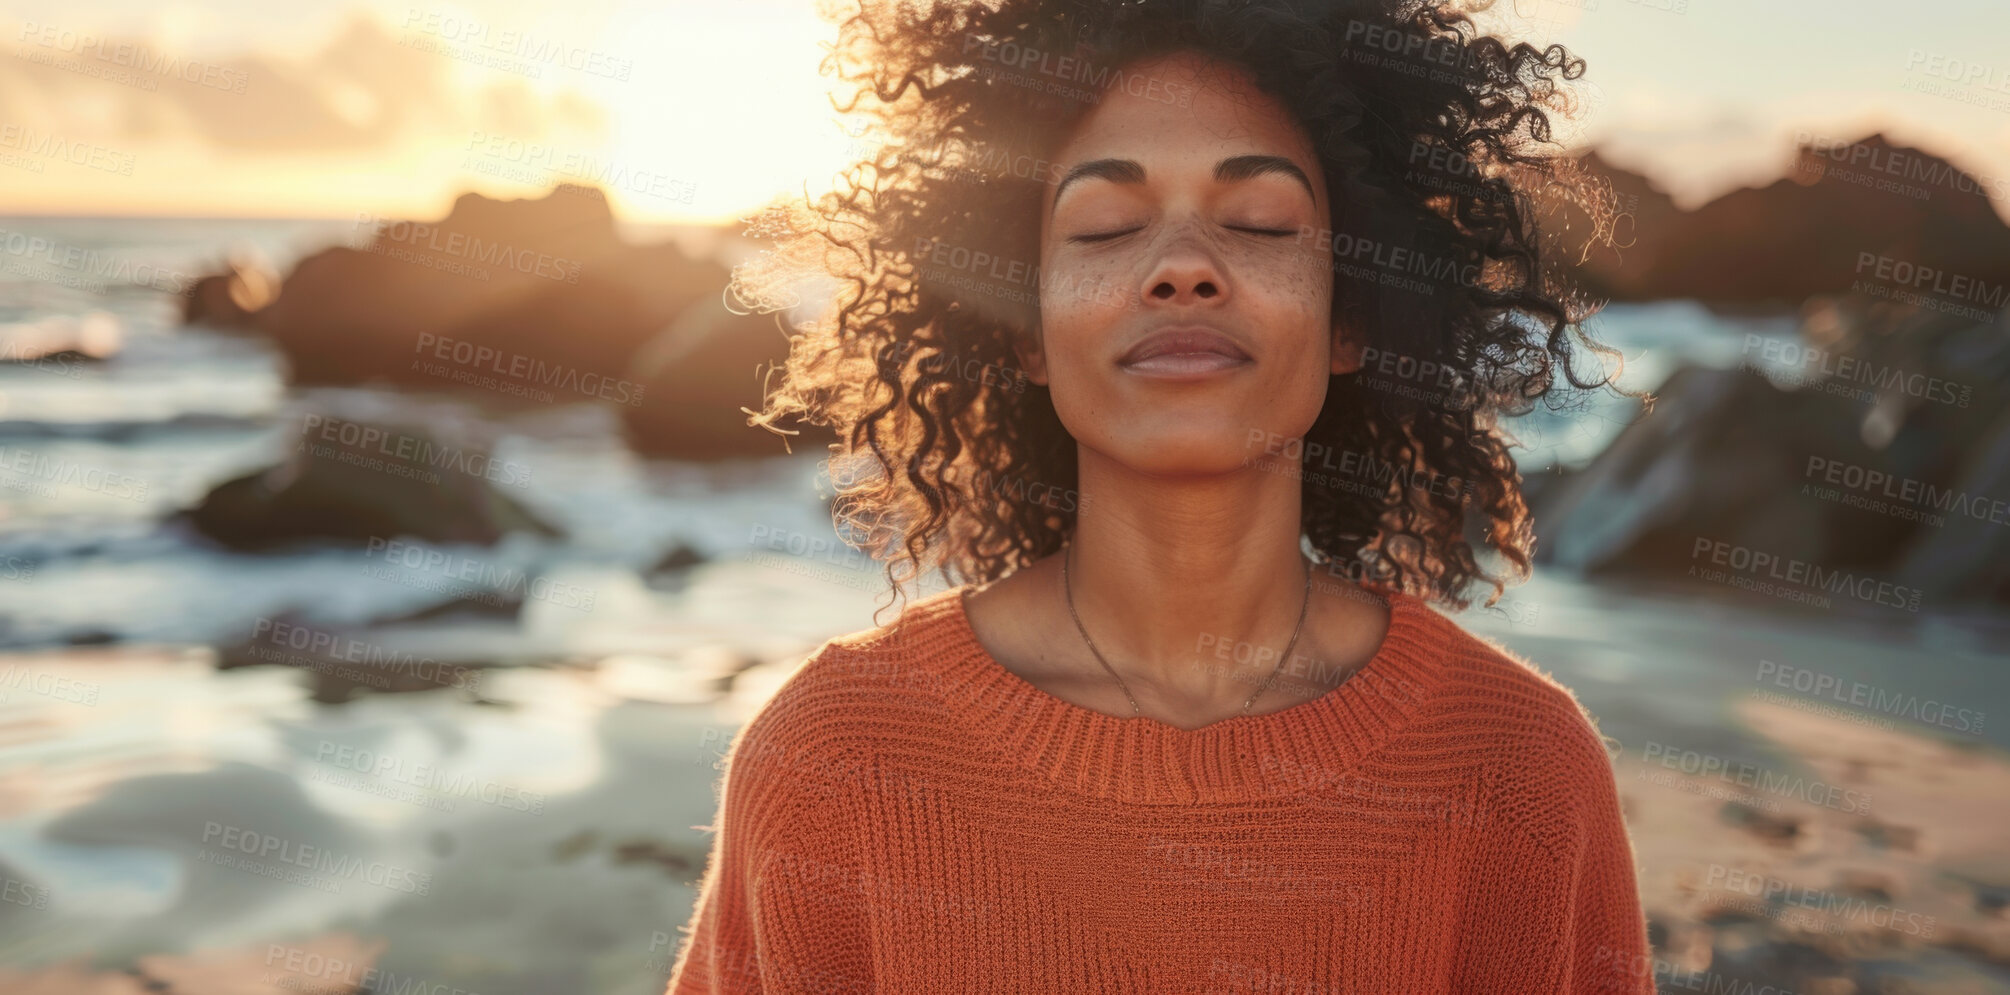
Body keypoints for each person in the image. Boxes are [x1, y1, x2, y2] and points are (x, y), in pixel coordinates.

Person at [669, 0, 1651, 991]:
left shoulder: (1521, 771)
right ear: (1024, 326)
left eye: (1260, 222)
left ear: (1352, 318)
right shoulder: (832, 757)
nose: (1184, 267)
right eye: (1105, 228)